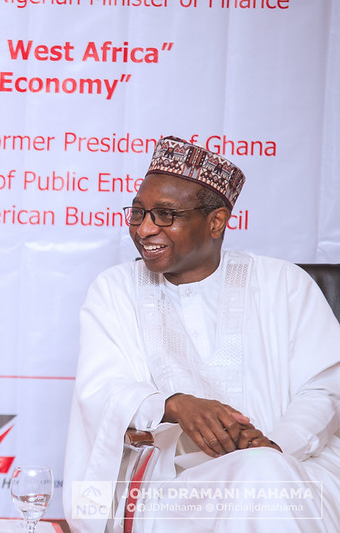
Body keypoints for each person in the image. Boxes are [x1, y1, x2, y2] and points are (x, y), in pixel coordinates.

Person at [63, 136, 340, 532]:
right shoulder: (115, 289)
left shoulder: (284, 284)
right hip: (171, 486)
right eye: (138, 212)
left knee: (263, 474)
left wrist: (275, 446)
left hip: (293, 467)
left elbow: (324, 389)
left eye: (165, 215)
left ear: (216, 222)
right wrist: (173, 404)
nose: (144, 229)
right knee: (261, 476)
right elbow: (103, 389)